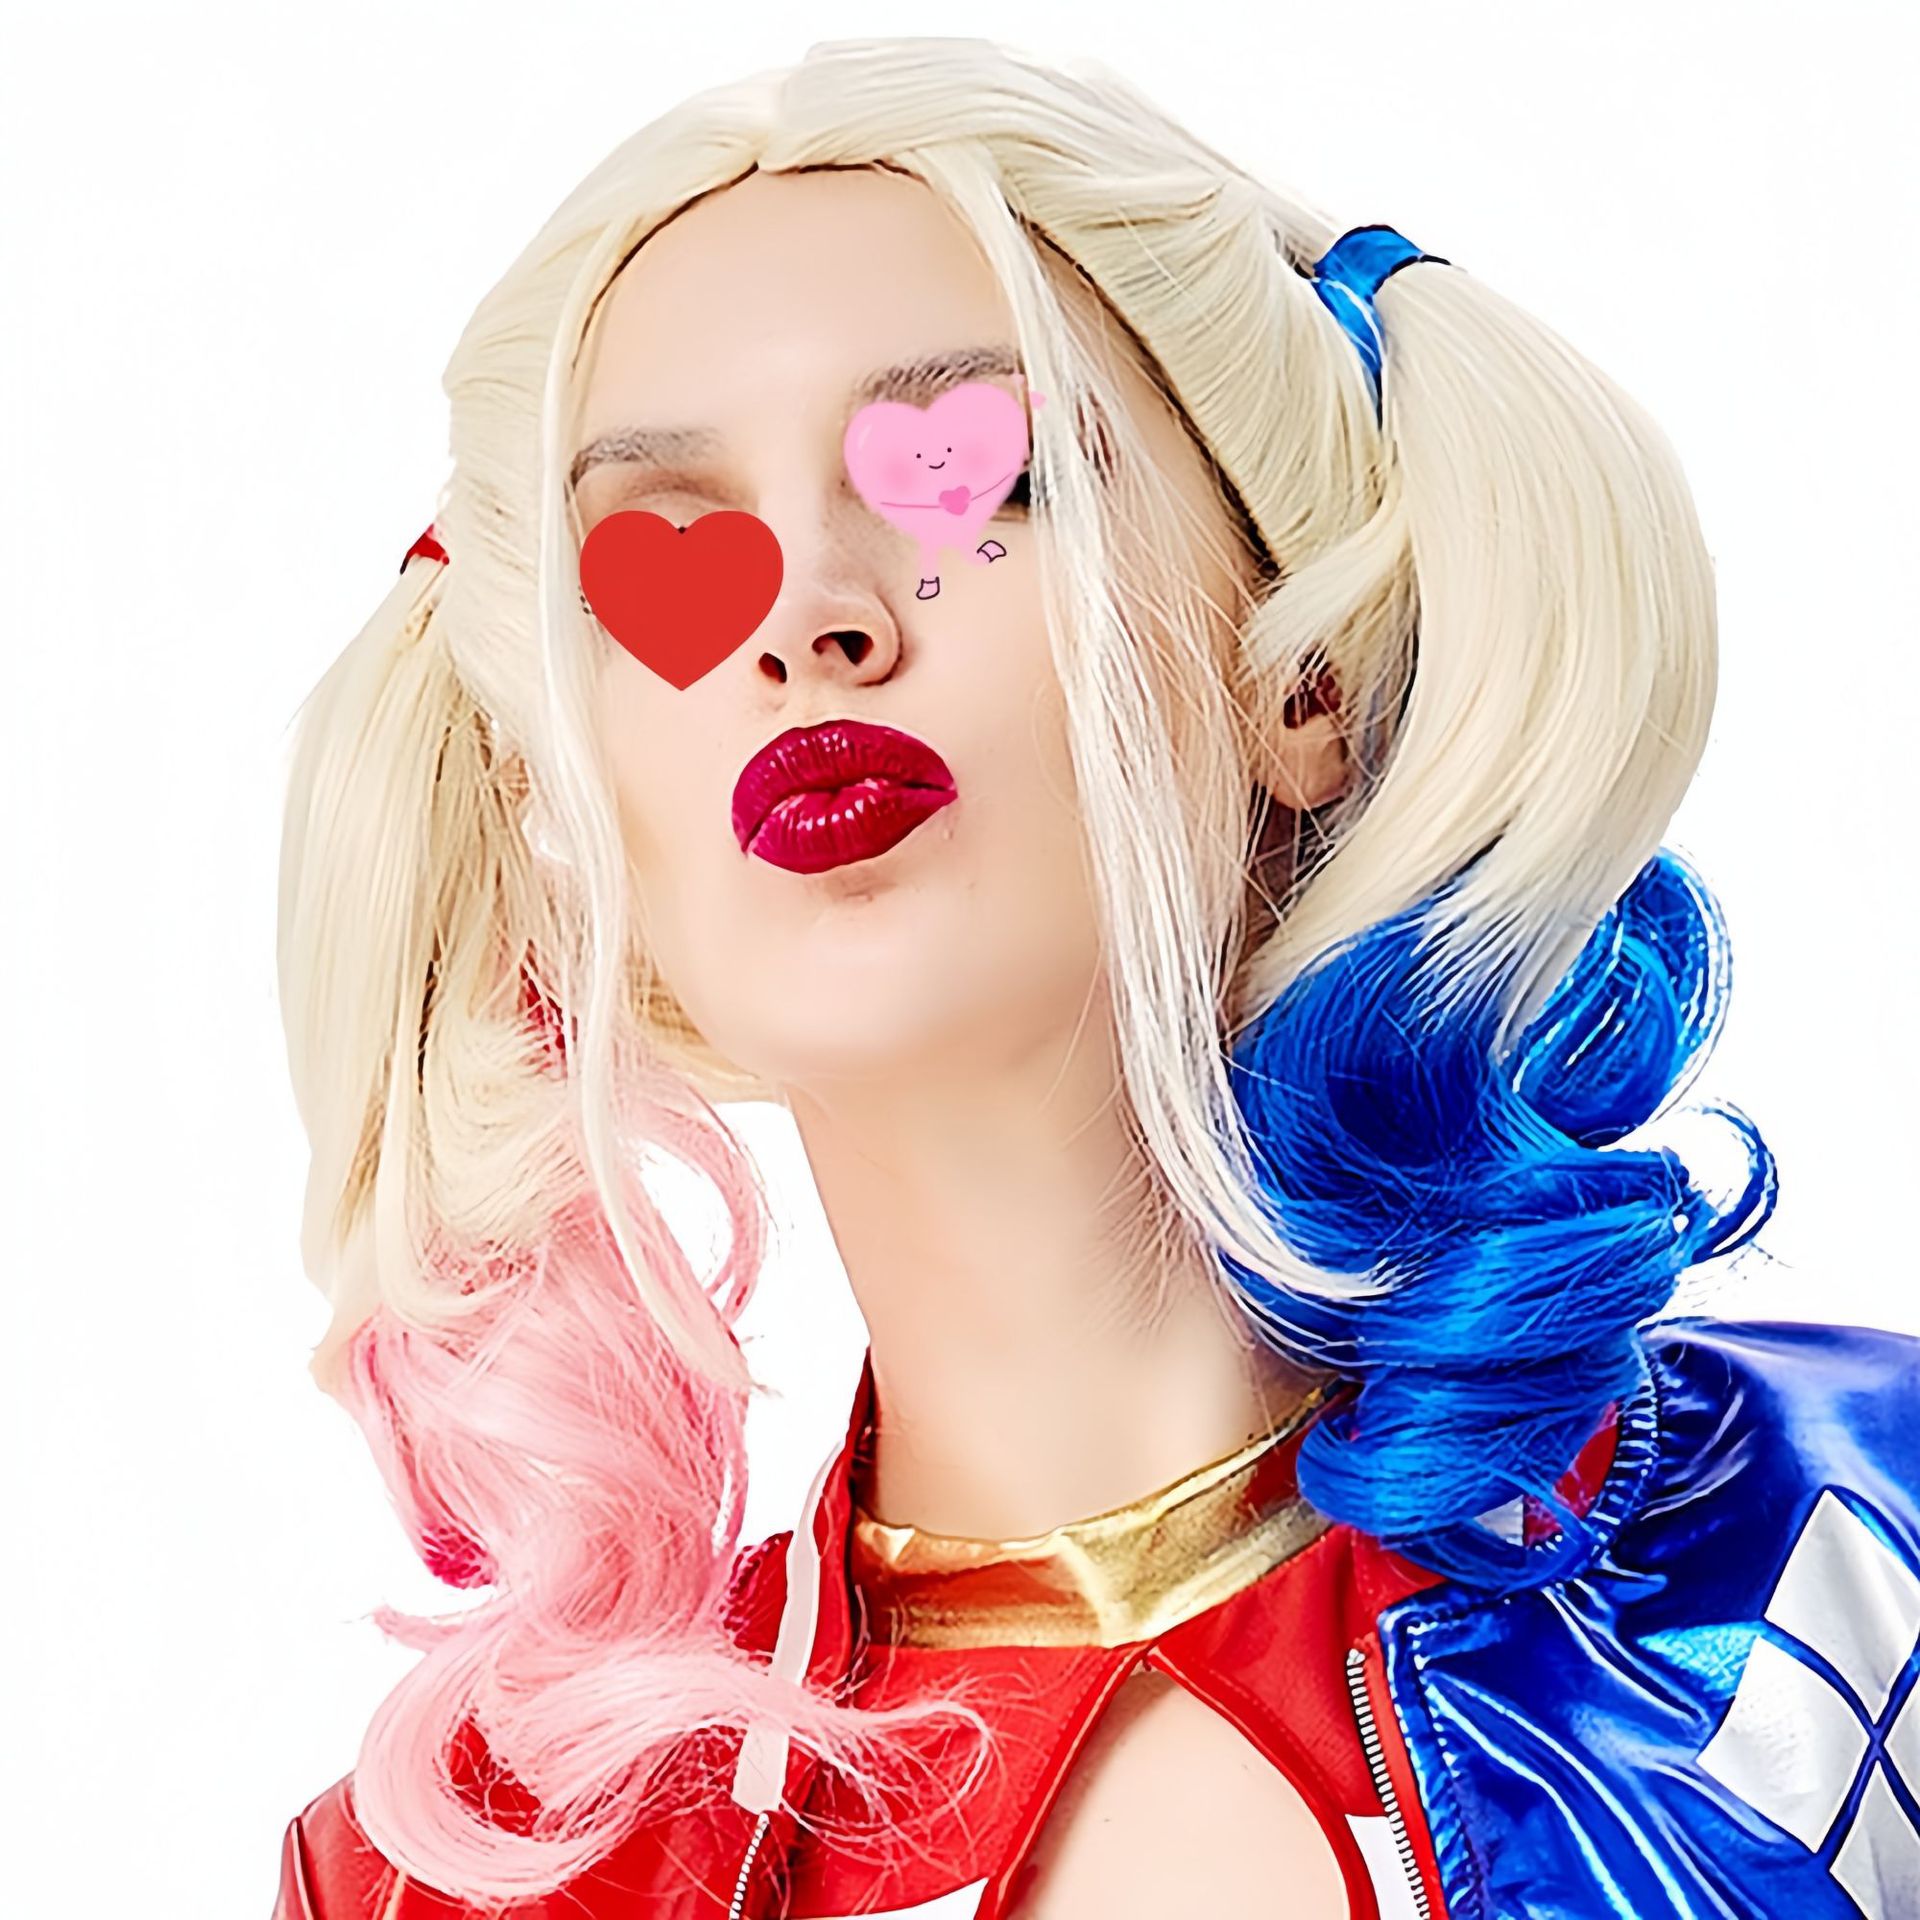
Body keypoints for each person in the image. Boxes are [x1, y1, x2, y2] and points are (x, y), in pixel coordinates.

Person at [271, 35, 1920, 1920]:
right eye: (663, 552)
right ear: (581, 804)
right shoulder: (470, 1875)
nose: (809, 617)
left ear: (1300, 680)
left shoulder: (1856, 1561)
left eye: (973, 478)